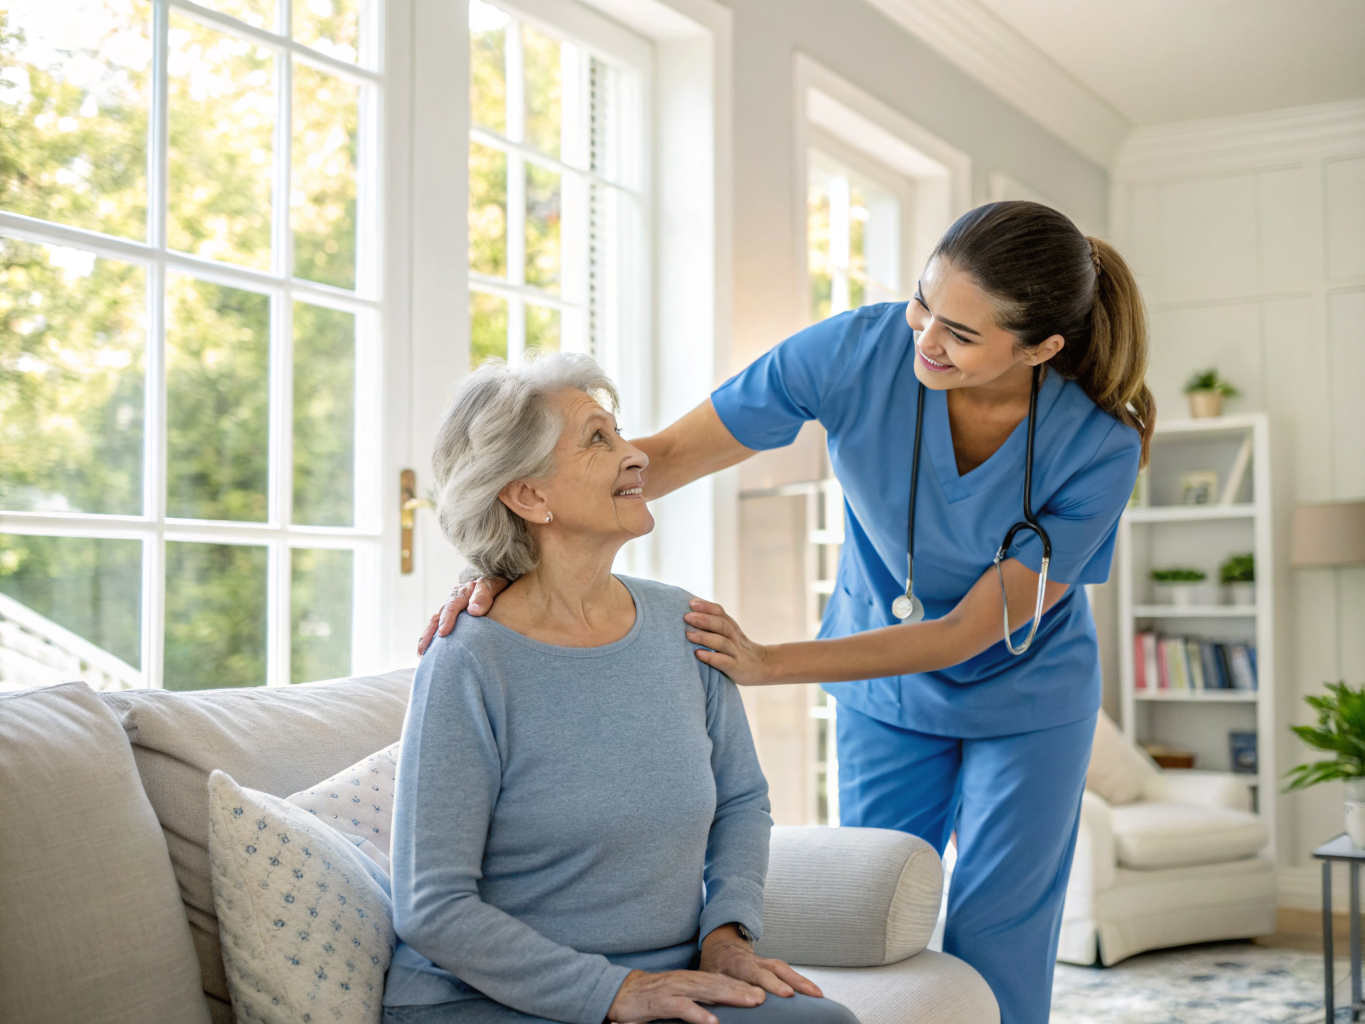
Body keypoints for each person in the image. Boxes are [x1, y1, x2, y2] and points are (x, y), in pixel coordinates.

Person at [419, 202, 1154, 1024]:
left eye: (959, 333)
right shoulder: (853, 353)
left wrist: (768, 662)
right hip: (881, 689)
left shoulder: (1098, 445)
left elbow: (963, 633)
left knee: (999, 925)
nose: (923, 339)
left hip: (1027, 692)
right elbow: (652, 458)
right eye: (921, 303)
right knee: (872, 914)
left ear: (1040, 349)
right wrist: (500, 552)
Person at [388, 352, 857, 1024]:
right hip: (487, 996)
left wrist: (727, 933)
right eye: (598, 440)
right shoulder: (469, 659)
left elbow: (742, 800)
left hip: (664, 969)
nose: (635, 456)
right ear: (528, 495)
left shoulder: (684, 625)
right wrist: (612, 992)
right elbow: (432, 907)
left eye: (620, 432)